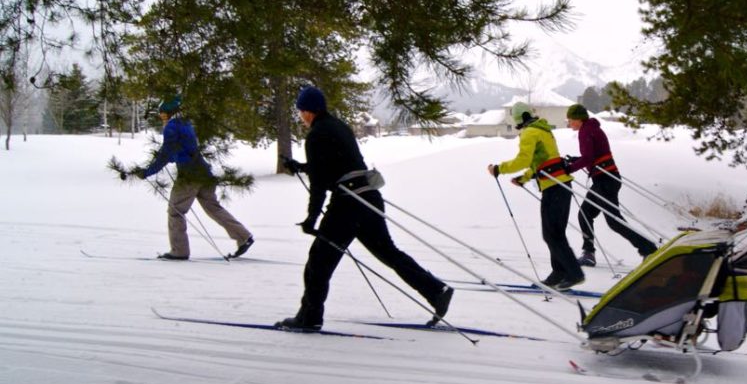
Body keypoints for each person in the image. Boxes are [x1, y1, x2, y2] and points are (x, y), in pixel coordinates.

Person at [277, 86, 453, 331]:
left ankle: (309, 318)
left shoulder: (316, 134)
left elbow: (319, 182)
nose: (300, 117)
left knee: (318, 262)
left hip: (347, 206)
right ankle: (436, 291)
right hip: (368, 198)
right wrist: (302, 167)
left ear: (307, 111)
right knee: (389, 253)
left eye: (300, 111)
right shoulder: (339, 126)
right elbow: (336, 165)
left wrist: (311, 218)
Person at [131, 95, 254, 260]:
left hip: (189, 176)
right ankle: (243, 236)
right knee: (214, 208)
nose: (161, 116)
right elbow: (182, 151)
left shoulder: (171, 127)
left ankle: (179, 251)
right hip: (204, 173)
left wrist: (147, 172)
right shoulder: (186, 124)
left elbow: (166, 154)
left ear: (169, 112)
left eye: (162, 113)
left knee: (175, 212)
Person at [487, 102, 584, 291]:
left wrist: (499, 169)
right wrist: (524, 178)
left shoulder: (529, 132)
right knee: (555, 234)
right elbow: (541, 163)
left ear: (519, 119)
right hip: (562, 185)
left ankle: (574, 273)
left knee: (551, 235)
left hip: (554, 188)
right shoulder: (544, 130)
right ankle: (559, 273)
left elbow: (523, 160)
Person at [564, 104, 656, 267]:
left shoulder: (585, 131)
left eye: (570, 119)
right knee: (585, 214)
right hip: (607, 178)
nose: (569, 123)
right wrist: (575, 160)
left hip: (604, 180)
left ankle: (648, 249)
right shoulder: (592, 128)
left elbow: (588, 158)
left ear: (578, 119)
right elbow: (592, 155)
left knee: (614, 221)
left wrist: (569, 169)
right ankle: (589, 253)